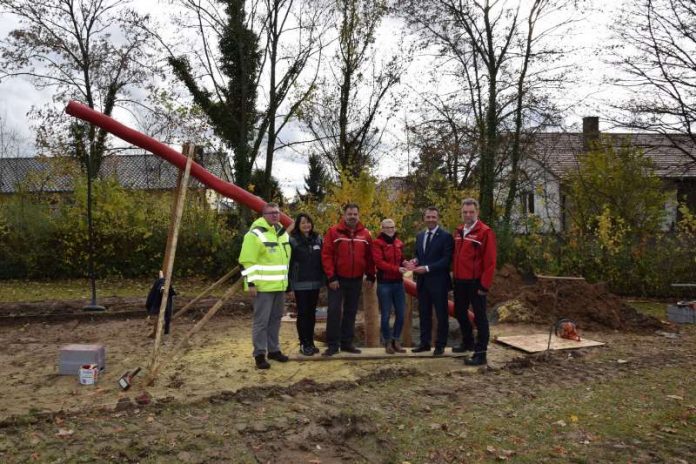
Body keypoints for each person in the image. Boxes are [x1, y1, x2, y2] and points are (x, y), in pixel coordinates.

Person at [238, 202, 292, 369]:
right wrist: (251, 284)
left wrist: (287, 285)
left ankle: (274, 350)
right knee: (261, 322)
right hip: (262, 288)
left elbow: (285, 261)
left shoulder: (282, 233)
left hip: (279, 286)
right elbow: (246, 261)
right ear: (263, 215)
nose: (275, 215)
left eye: (277, 212)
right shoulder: (254, 235)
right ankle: (259, 354)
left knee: (275, 320)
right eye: (270, 213)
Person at [321, 203, 375, 356]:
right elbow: (327, 256)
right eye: (349, 214)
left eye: (355, 214)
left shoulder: (365, 234)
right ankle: (332, 344)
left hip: (356, 279)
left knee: (351, 312)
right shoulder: (333, 232)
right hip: (337, 280)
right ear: (344, 215)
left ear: (358, 215)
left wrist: (371, 274)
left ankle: (346, 343)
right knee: (334, 311)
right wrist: (331, 277)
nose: (352, 217)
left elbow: (370, 256)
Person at [453, 198, 497, 366]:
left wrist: (484, 285)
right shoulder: (458, 232)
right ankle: (467, 342)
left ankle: (480, 353)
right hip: (460, 281)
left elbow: (490, 261)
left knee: (480, 318)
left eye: (471, 212)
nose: (468, 215)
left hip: (476, 282)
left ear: (477, 212)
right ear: (461, 213)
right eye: (465, 212)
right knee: (459, 312)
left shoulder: (485, 232)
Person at [410, 206, 453, 356]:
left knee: (441, 315)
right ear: (424, 219)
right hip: (422, 282)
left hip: (439, 282)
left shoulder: (446, 236)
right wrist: (414, 262)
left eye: (433, 217)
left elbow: (446, 260)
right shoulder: (420, 236)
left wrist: (427, 268)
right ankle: (424, 343)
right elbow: (418, 255)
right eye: (428, 217)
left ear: (438, 218)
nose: (430, 220)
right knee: (424, 313)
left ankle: (440, 345)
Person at [288, 213, 324, 356]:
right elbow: (289, 263)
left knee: (312, 314)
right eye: (303, 223)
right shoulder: (292, 240)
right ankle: (303, 343)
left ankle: (311, 341)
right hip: (300, 282)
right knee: (303, 313)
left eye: (308, 222)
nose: (306, 225)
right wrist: (289, 285)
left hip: (315, 281)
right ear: (298, 225)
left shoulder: (318, 238)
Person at [372, 218, 407, 354]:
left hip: (398, 283)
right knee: (386, 314)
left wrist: (406, 263)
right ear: (382, 229)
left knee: (401, 313)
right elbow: (379, 263)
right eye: (386, 227)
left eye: (392, 227)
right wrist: (396, 269)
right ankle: (387, 341)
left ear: (395, 228)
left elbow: (401, 259)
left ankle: (396, 340)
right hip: (384, 284)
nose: (390, 230)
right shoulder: (377, 243)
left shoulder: (399, 243)